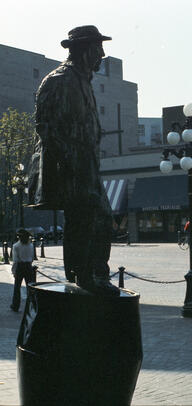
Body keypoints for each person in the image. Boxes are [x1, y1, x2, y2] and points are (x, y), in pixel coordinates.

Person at [27, 25, 119, 294]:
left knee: (99, 217)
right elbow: (45, 127)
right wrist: (69, 161)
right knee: (86, 219)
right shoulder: (58, 80)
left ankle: (94, 275)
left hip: (87, 164)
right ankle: (86, 276)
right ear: (84, 50)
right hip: (69, 166)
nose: (102, 54)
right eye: (97, 48)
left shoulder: (84, 81)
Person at [10, 229, 35, 312]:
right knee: (30, 287)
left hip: (20, 267)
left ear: (19, 237)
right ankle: (32, 305)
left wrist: (13, 271)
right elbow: (32, 258)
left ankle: (15, 306)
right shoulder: (31, 245)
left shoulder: (16, 246)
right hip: (28, 266)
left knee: (17, 287)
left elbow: (15, 260)